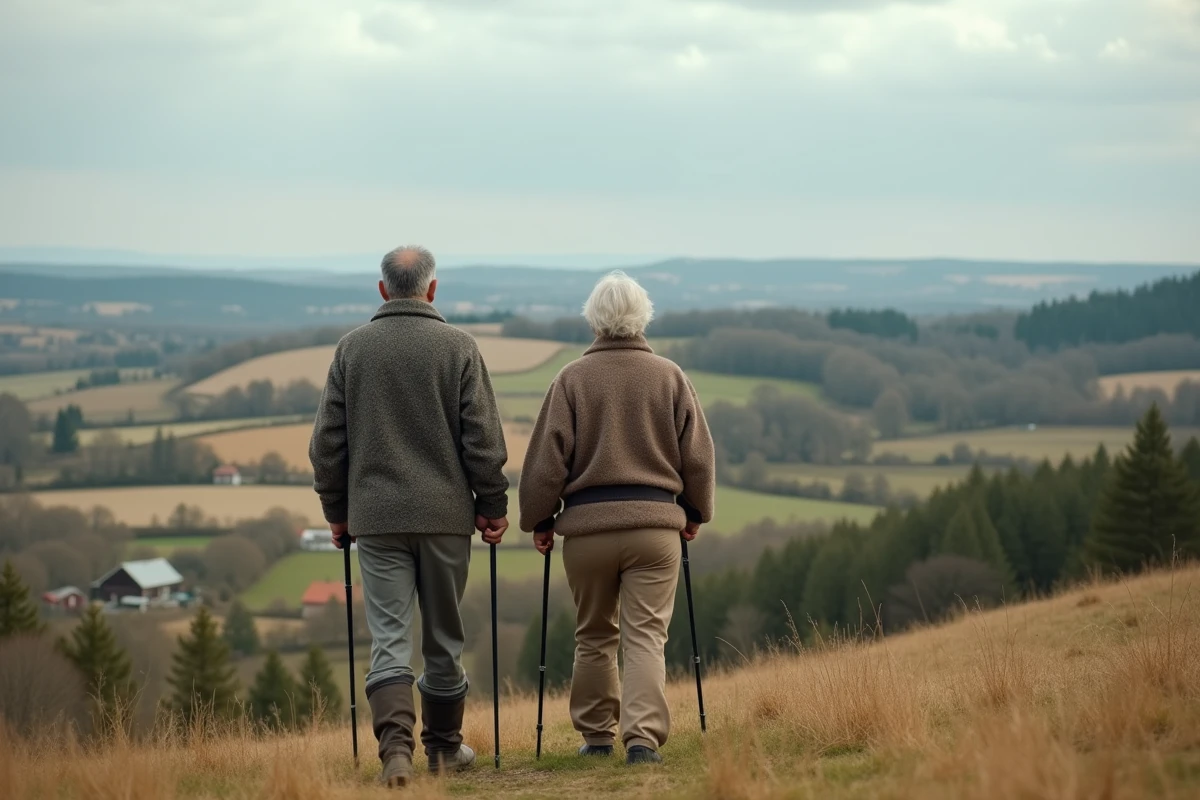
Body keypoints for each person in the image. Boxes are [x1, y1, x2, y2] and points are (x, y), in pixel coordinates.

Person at [309, 245, 509, 788]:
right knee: (444, 636)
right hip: (446, 518)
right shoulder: (459, 348)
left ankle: (395, 753)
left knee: (388, 637)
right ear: (432, 289)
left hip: (374, 519)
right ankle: (444, 750)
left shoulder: (352, 350)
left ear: (382, 291)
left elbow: (327, 444)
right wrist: (492, 506)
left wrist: (337, 511)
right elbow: (484, 442)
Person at [519, 271, 716, 766]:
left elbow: (545, 464)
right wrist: (694, 512)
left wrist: (539, 520)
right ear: (642, 316)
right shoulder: (671, 377)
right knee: (646, 635)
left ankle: (597, 737)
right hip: (655, 528)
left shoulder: (570, 379)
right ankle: (643, 740)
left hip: (586, 532)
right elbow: (698, 459)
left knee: (593, 635)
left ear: (595, 320)